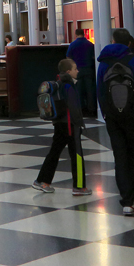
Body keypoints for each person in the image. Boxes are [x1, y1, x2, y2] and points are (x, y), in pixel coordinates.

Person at [97, 27, 134, 216]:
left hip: (113, 116)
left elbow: (99, 90)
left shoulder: (104, 62)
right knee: (133, 153)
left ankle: (126, 200)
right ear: (129, 42)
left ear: (113, 41)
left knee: (120, 156)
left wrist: (105, 113)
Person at [32, 58, 91, 196]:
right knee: (77, 155)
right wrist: (80, 124)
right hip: (71, 126)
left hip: (59, 124)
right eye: (75, 68)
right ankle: (79, 186)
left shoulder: (58, 84)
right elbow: (74, 108)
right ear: (68, 71)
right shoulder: (69, 86)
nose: (78, 71)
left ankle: (42, 181)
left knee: (54, 152)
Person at [65, 29, 98, 119]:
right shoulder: (90, 44)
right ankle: (92, 110)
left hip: (77, 71)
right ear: (84, 34)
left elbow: (68, 57)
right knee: (90, 91)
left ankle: (81, 109)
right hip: (89, 70)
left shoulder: (73, 44)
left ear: (75, 34)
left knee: (78, 90)